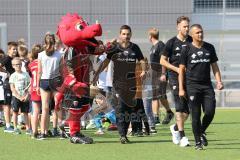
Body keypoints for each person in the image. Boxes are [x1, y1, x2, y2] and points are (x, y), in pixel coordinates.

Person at [93, 25, 147, 144]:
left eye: (128, 34)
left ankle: (124, 133)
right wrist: (97, 74)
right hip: (118, 83)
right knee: (121, 108)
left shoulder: (135, 48)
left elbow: (142, 60)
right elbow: (105, 62)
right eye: (123, 34)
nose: (126, 36)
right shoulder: (115, 48)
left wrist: (144, 70)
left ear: (131, 35)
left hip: (131, 83)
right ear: (120, 35)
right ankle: (122, 134)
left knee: (128, 109)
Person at [179, 24, 224, 150]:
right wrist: (182, 89)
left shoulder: (209, 47)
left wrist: (219, 81)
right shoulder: (186, 49)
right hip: (192, 86)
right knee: (195, 115)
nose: (200, 34)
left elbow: (214, 66)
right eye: (197, 32)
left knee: (210, 112)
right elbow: (181, 70)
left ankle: (201, 131)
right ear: (192, 35)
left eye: (201, 32)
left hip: (207, 86)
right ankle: (198, 143)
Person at [160, 16, 192, 147]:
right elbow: (162, 61)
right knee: (179, 107)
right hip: (174, 77)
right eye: (184, 26)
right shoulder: (171, 42)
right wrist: (177, 69)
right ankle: (183, 137)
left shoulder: (192, 41)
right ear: (178, 27)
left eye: (188, 26)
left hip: (189, 78)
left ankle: (175, 128)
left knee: (188, 111)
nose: (186, 28)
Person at [37, 33, 62, 139]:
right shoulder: (59, 54)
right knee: (58, 107)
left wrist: (37, 86)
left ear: (45, 43)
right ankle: (61, 132)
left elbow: (39, 71)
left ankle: (43, 133)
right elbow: (62, 70)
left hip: (44, 81)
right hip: (56, 81)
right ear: (54, 42)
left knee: (45, 108)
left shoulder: (41, 54)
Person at [148, 28, 174, 125]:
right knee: (157, 96)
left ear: (150, 36)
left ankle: (156, 117)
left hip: (160, 74)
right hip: (154, 75)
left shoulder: (160, 45)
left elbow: (164, 59)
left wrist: (163, 74)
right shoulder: (152, 47)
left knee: (159, 95)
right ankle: (168, 113)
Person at [9, 57, 31, 134]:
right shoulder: (13, 75)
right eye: (16, 64)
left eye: (19, 64)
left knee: (25, 112)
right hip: (16, 97)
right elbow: (12, 88)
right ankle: (15, 128)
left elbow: (29, 86)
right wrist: (19, 97)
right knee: (15, 112)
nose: (18, 66)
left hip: (25, 97)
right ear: (13, 66)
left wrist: (26, 95)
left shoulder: (26, 74)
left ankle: (28, 128)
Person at [0, 42, 18, 133]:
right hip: (7, 84)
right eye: (13, 49)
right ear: (9, 50)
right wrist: (6, 72)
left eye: (16, 49)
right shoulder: (6, 58)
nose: (15, 50)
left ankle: (12, 124)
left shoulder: (14, 58)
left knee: (12, 104)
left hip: (14, 83)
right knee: (7, 105)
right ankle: (7, 126)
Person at [28, 44, 43, 139]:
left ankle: (34, 131)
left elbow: (31, 76)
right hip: (42, 88)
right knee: (44, 111)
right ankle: (43, 131)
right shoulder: (43, 62)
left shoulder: (31, 64)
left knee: (35, 112)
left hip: (33, 89)